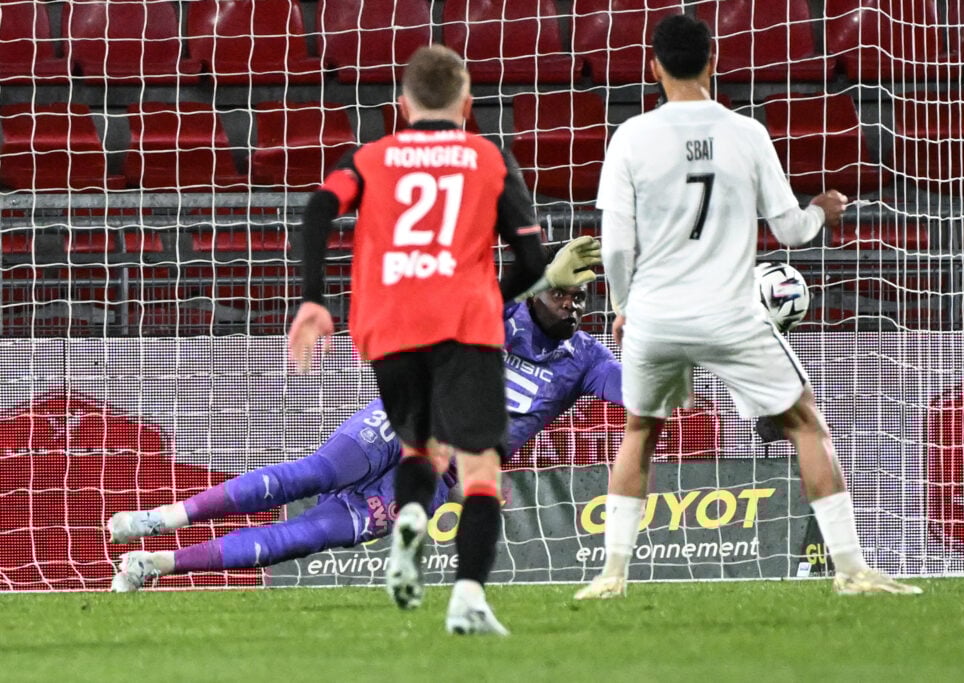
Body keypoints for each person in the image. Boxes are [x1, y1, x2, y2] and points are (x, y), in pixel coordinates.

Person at [574, 14, 922, 600]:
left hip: (655, 315)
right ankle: (852, 570)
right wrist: (822, 212)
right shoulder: (747, 133)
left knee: (639, 431)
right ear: (713, 61)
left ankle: (612, 575)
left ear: (653, 67)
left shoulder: (630, 136)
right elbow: (789, 231)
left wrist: (622, 304)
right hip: (730, 315)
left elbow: (614, 244)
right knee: (806, 423)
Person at [286, 44, 574, 635]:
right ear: (467, 105)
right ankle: (467, 596)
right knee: (479, 466)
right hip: (463, 325)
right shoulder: (486, 159)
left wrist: (313, 297)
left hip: (388, 326)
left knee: (421, 448)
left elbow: (318, 208)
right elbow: (533, 258)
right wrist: (491, 296)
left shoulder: (373, 156)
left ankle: (411, 516)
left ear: (402, 106)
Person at [107, 278, 621, 598]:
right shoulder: (500, 312)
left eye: (578, 297)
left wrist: (636, 340)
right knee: (313, 474)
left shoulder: (587, 361)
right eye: (559, 291)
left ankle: (153, 565)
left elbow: (643, 394)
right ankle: (159, 520)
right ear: (537, 288)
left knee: (308, 536)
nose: (570, 304)